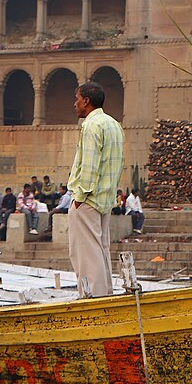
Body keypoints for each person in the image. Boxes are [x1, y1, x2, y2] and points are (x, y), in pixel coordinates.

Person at [68, 82, 124, 298]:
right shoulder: (113, 124)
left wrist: (79, 198)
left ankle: (94, 300)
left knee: (86, 253)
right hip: (105, 199)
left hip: (88, 200)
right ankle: (105, 295)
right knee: (100, 251)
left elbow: (89, 167)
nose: (75, 104)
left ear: (86, 101)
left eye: (77, 98)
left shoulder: (92, 126)